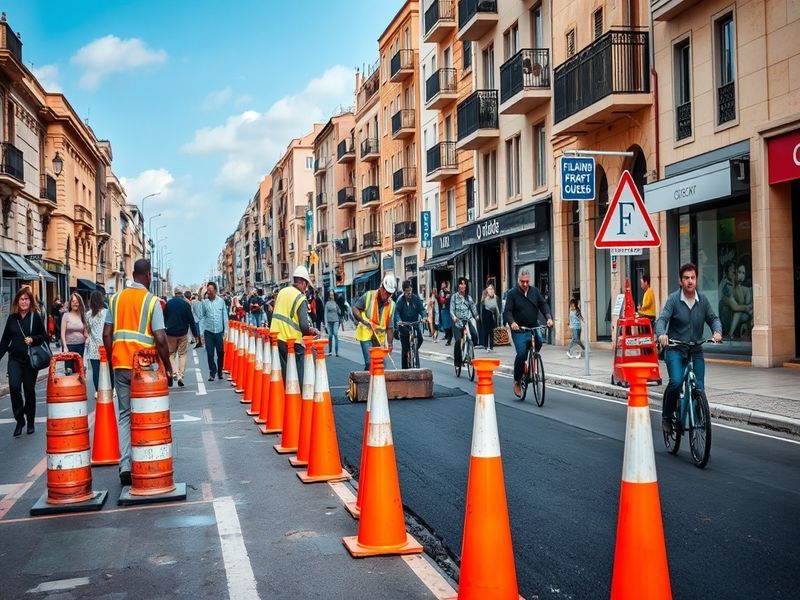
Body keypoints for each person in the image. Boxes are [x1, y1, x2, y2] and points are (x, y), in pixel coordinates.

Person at [103, 258, 172, 487]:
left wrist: (114, 357)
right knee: (146, 415)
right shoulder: (152, 301)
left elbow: (106, 334)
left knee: (124, 415)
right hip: (144, 368)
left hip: (121, 364)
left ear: (132, 275)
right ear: (148, 276)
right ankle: (146, 460)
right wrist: (168, 368)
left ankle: (125, 465)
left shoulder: (115, 299)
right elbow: (161, 338)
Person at [656, 262, 723, 434]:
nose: (690, 281)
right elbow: (662, 319)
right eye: (686, 278)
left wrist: (717, 332)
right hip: (675, 349)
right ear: (680, 281)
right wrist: (662, 334)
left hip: (695, 349)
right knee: (676, 382)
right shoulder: (673, 300)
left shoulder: (703, 301)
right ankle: (667, 416)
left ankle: (699, 417)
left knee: (699, 387)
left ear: (697, 280)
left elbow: (713, 318)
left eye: (693, 278)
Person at [0, 288, 47, 436]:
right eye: (22, 299)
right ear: (17, 301)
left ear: (30, 301)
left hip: (30, 361)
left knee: (28, 390)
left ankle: (31, 421)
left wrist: (33, 339)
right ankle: (20, 419)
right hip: (14, 358)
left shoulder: (35, 316)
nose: (24, 302)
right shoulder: (12, 318)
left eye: (27, 299)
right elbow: (5, 340)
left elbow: (44, 337)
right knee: (14, 387)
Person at [503, 269, 554, 398]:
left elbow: (543, 305)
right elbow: (507, 311)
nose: (525, 284)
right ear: (518, 280)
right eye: (522, 282)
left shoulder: (535, 292)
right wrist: (512, 322)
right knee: (521, 353)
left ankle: (533, 361)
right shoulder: (512, 294)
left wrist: (548, 317)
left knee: (539, 342)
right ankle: (517, 380)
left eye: (527, 282)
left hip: (533, 326)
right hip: (519, 329)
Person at [271, 266, 319, 382]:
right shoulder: (300, 298)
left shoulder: (282, 292)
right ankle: (303, 391)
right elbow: (303, 325)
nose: (306, 288)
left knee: (285, 370)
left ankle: (286, 394)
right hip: (290, 339)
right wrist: (312, 331)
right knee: (303, 359)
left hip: (275, 336)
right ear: (302, 282)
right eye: (306, 285)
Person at [352, 275, 396, 370]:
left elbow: (389, 327)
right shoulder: (369, 296)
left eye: (390, 294)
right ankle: (367, 382)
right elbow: (355, 308)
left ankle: (376, 383)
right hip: (366, 332)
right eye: (387, 292)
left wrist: (390, 344)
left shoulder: (392, 305)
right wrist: (363, 321)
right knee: (370, 363)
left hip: (379, 337)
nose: (388, 296)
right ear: (381, 288)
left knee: (381, 364)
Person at [165, 288, 200, 387]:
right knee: (182, 355)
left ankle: (175, 373)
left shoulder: (169, 304)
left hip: (170, 333)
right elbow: (191, 320)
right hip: (183, 333)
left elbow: (164, 318)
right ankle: (180, 376)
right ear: (182, 295)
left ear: (174, 294)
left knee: (171, 354)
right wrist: (195, 334)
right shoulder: (185, 304)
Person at [198, 281, 228, 382]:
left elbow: (225, 316)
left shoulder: (221, 301)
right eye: (208, 291)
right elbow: (202, 317)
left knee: (220, 352)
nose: (209, 292)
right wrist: (201, 333)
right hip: (208, 331)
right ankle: (212, 372)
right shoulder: (205, 303)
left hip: (219, 332)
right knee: (210, 354)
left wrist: (226, 330)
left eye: (210, 290)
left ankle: (220, 371)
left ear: (215, 290)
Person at [394, 280, 427, 369]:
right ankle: (404, 370)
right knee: (405, 348)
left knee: (420, 339)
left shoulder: (416, 299)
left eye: (410, 291)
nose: (409, 294)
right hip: (404, 326)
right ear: (404, 291)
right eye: (407, 292)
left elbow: (422, 309)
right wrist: (399, 321)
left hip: (414, 324)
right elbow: (396, 313)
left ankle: (414, 350)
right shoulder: (400, 301)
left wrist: (424, 317)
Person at [86, 290, 113, 395]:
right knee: (109, 368)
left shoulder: (88, 315)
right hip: (106, 344)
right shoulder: (107, 313)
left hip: (94, 346)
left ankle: (98, 391)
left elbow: (87, 329)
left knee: (96, 370)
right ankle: (111, 388)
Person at [450, 277, 479, 369]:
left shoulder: (469, 298)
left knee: (474, 335)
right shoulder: (454, 297)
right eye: (461, 284)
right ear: (458, 285)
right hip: (457, 321)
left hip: (467, 319)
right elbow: (451, 310)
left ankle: (470, 350)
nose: (462, 286)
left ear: (466, 286)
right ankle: (458, 362)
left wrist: (476, 316)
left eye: (464, 284)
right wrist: (454, 317)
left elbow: (473, 308)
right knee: (458, 340)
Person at [61, 292, 88, 374]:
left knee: (80, 372)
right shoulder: (66, 316)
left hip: (81, 346)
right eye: (73, 301)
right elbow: (62, 333)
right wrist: (65, 347)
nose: (75, 303)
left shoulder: (82, 315)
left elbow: (85, 333)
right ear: (70, 303)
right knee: (69, 371)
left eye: (77, 301)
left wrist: (88, 338)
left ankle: (80, 387)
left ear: (79, 303)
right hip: (69, 346)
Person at [480, 284, 500, 351]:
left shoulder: (495, 296)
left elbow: (496, 306)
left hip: (492, 314)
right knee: (486, 330)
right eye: (489, 288)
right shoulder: (484, 294)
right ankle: (485, 345)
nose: (490, 290)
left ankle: (491, 346)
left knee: (491, 331)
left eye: (492, 288)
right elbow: (482, 302)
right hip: (485, 313)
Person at [324, 290, 341, 356]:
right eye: (330, 295)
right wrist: (325, 323)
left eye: (332, 295)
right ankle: (330, 351)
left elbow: (339, 312)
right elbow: (325, 313)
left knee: (335, 334)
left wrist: (337, 308)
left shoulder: (336, 303)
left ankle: (337, 352)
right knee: (330, 336)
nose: (331, 296)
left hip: (336, 320)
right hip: (329, 321)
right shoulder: (327, 303)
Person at [439, 281, 453, 345]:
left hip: (448, 309)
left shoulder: (448, 292)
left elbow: (445, 300)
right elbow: (442, 300)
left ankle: (449, 338)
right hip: (444, 309)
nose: (442, 285)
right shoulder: (442, 291)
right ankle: (448, 336)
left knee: (448, 324)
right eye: (442, 284)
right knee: (446, 324)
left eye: (443, 284)